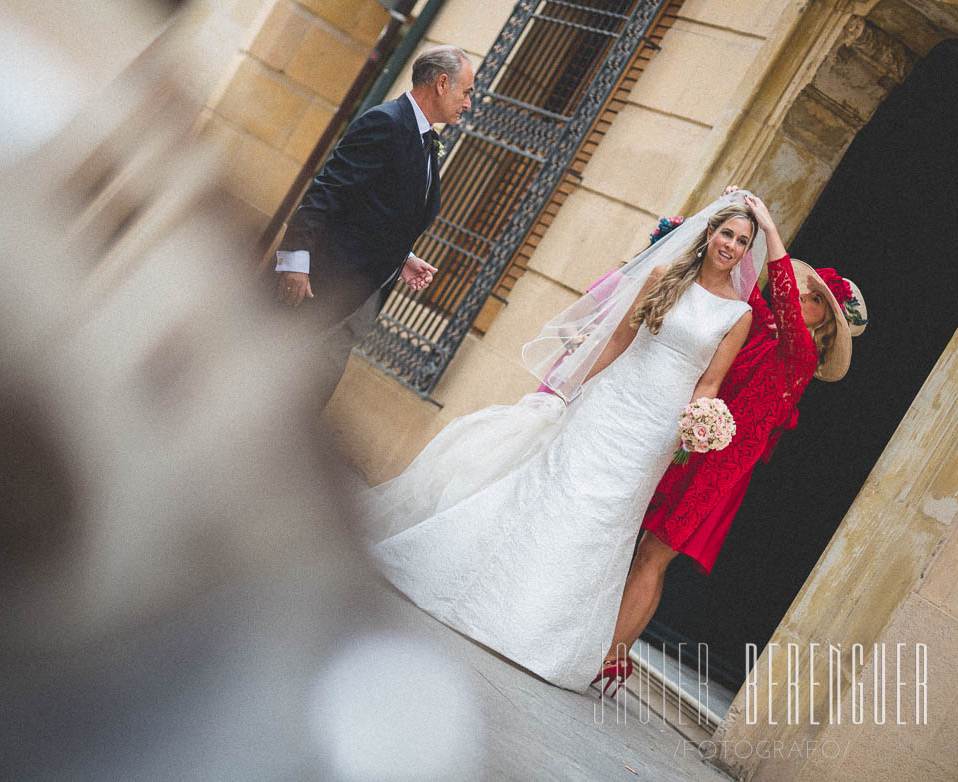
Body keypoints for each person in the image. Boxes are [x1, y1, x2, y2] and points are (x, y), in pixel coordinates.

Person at [361, 191, 769, 693]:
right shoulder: (663, 277)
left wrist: (697, 425)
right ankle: (483, 596)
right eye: (726, 233)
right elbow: (618, 340)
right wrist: (569, 390)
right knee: (558, 492)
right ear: (709, 234)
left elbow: (709, 382)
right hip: (612, 402)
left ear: (748, 252)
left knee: (605, 521)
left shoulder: (738, 315)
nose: (731, 245)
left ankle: (542, 632)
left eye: (742, 241)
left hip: (655, 433)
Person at [596, 191, 869, 694]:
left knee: (653, 558)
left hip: (718, 471)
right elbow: (740, 288)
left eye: (815, 301)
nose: (803, 299)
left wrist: (769, 229)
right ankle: (612, 653)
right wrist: (686, 235)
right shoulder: (766, 328)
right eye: (808, 293)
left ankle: (610, 657)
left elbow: (778, 295)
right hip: (693, 449)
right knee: (637, 550)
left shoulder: (801, 354)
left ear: (825, 321)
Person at [274, 45, 475, 405]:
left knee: (301, 409)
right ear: (442, 83)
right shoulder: (385, 122)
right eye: (467, 92)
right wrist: (294, 260)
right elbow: (328, 190)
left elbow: (380, 207)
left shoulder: (427, 141)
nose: (468, 103)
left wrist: (404, 256)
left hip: (357, 304)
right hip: (319, 289)